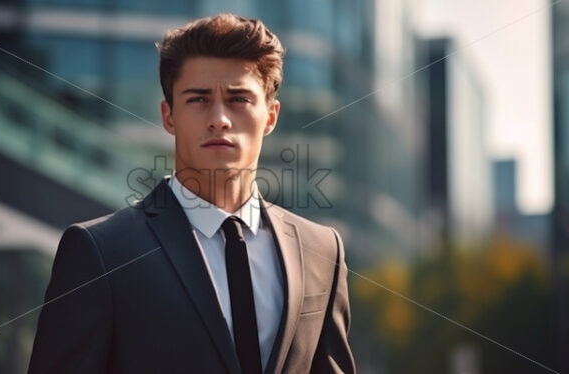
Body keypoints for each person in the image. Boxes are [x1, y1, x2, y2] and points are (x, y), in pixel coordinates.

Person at [28, 13, 356, 374]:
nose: (219, 118)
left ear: (271, 116)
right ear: (169, 116)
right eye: (198, 99)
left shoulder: (323, 251)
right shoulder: (100, 252)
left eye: (239, 99)